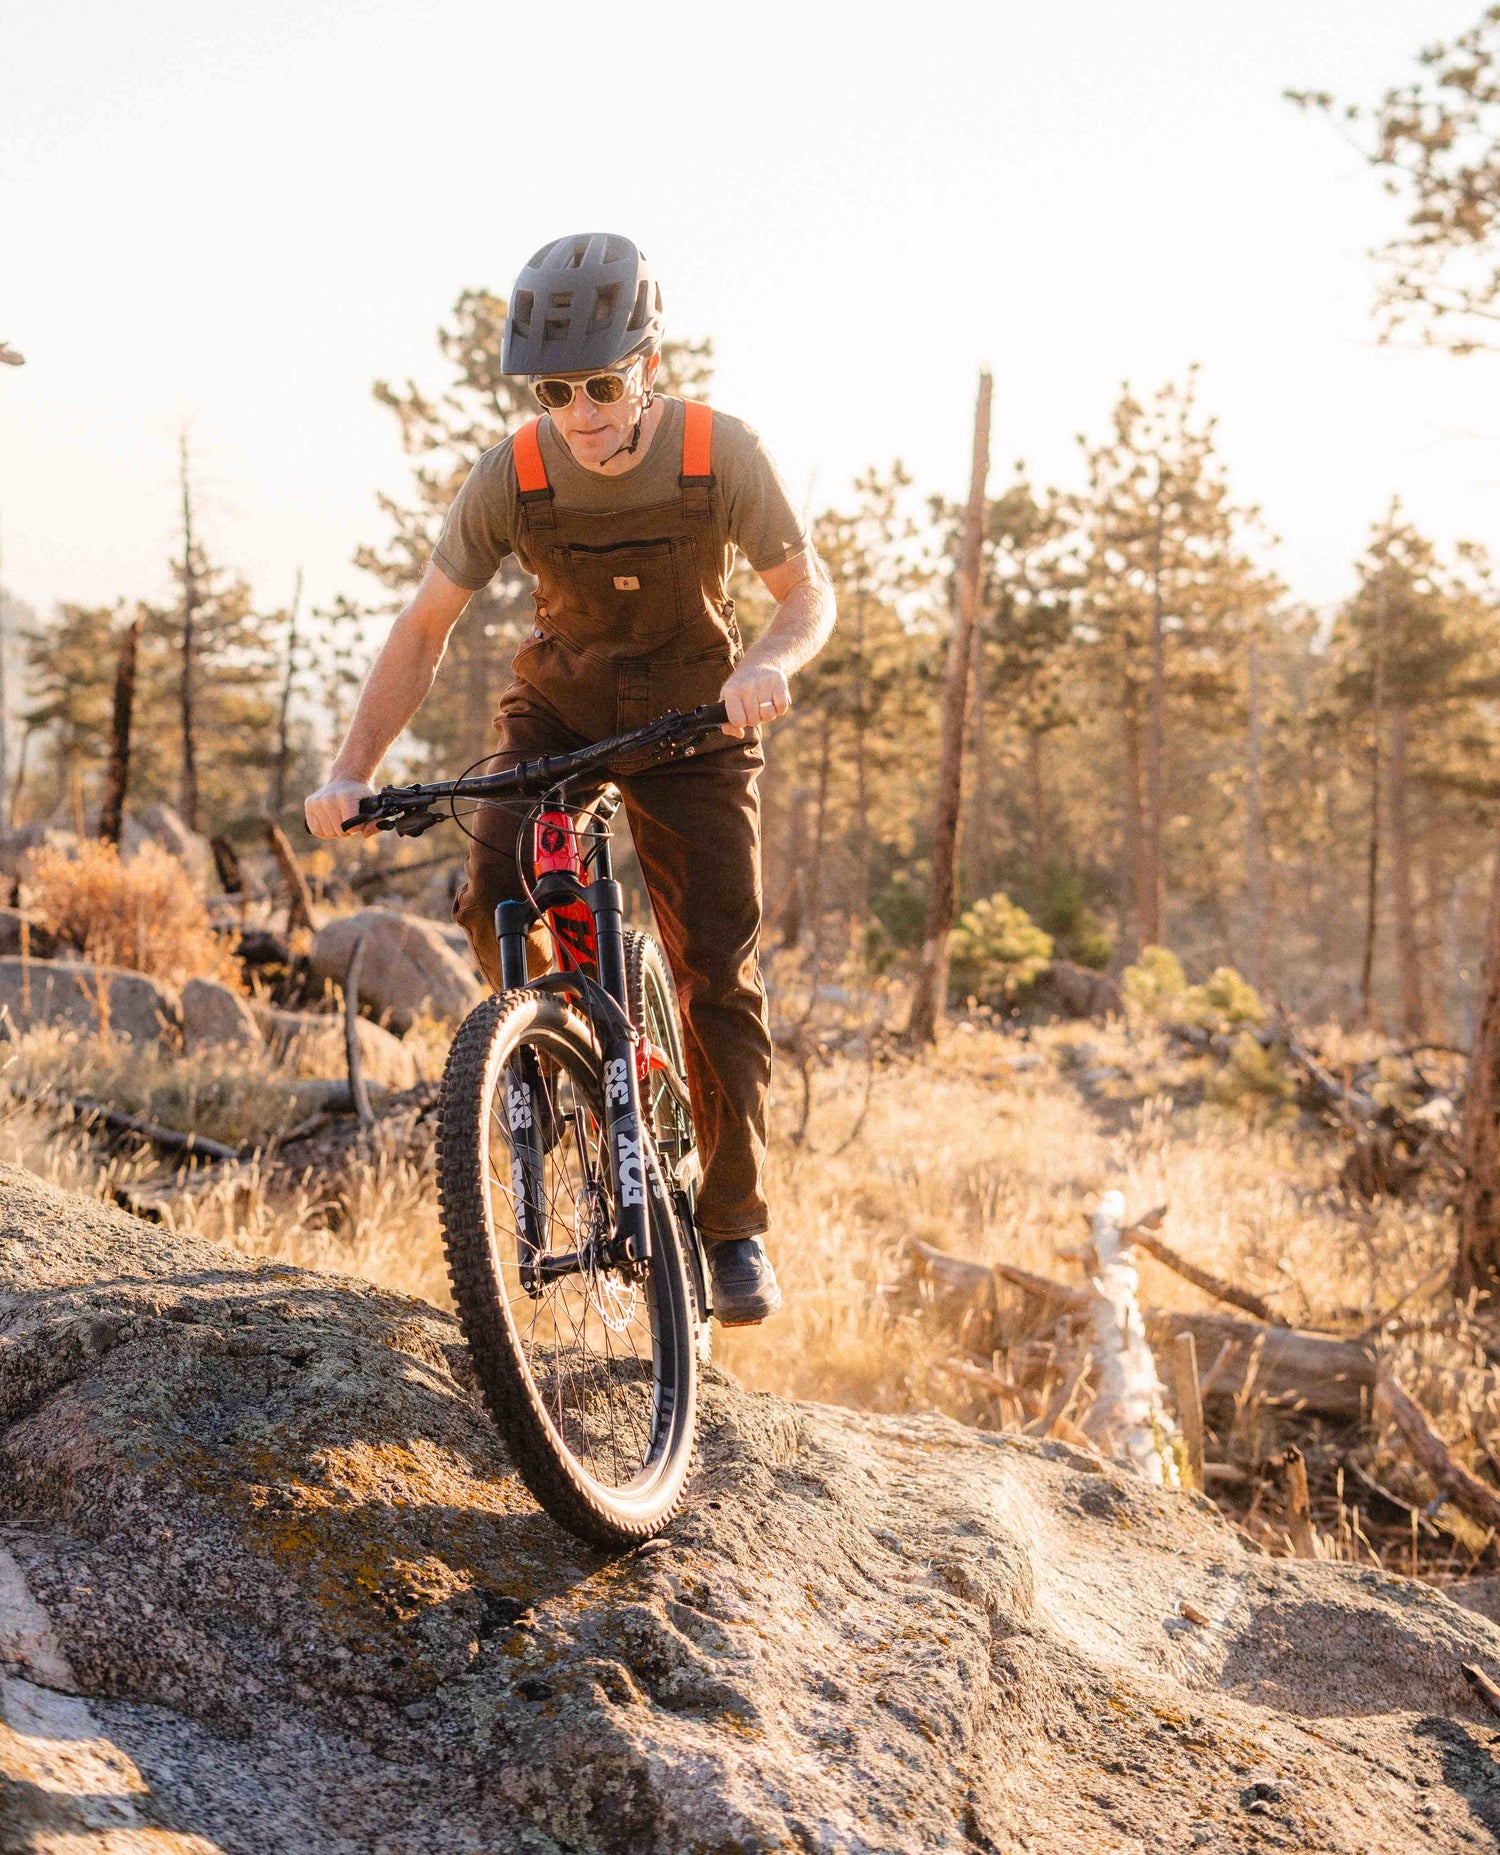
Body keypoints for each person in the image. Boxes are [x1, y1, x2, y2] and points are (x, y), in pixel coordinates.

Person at [306, 232, 836, 1325]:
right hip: (564, 708)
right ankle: (544, 1054)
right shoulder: (519, 471)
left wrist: (768, 663)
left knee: (716, 969)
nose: (583, 412)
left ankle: (733, 1225)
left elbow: (806, 592)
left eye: (602, 382)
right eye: (556, 389)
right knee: (492, 873)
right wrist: (351, 771)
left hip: (699, 717)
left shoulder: (715, 451)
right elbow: (424, 626)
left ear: (649, 362)